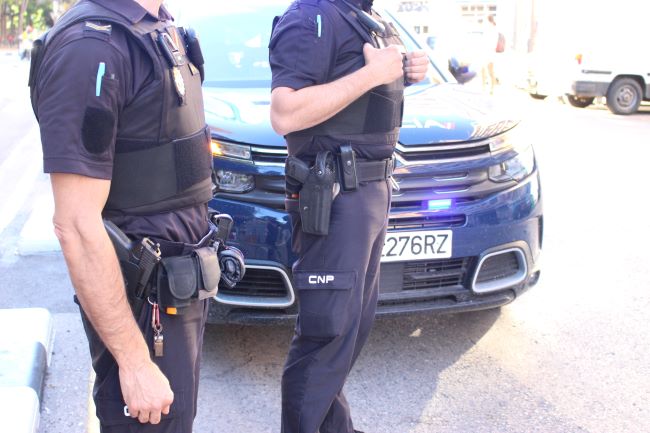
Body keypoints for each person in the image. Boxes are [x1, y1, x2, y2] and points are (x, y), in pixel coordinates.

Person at [29, 0, 217, 431]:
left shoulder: (155, 25)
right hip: (140, 302)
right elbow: (75, 225)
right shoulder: (90, 48)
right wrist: (133, 362)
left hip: (177, 289)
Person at [269, 1, 428, 432]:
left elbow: (356, 101)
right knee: (325, 335)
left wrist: (405, 74)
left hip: (370, 190)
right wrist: (373, 75)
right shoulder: (310, 17)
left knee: (349, 332)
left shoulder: (363, 15)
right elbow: (285, 113)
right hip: (337, 194)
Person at [480, 14, 500, 94]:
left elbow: (491, 43)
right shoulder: (489, 29)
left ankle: (490, 88)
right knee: (484, 70)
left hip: (489, 52)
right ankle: (485, 87)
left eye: (486, 20)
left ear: (489, 20)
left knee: (489, 71)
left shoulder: (493, 29)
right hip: (487, 52)